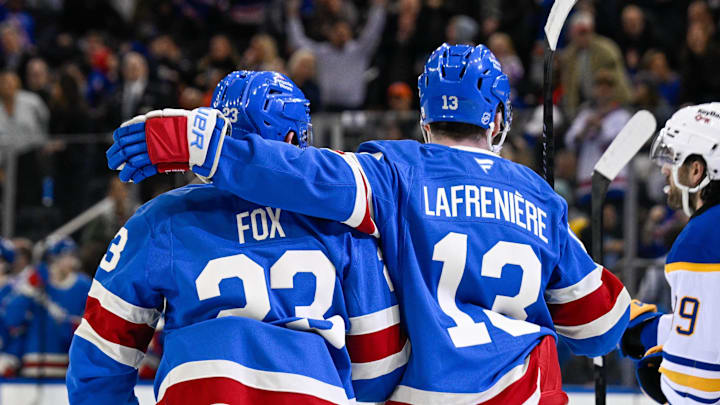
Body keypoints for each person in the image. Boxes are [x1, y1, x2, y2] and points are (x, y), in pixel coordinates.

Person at [107, 44, 630, 403]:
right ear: (496, 120)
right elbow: (598, 328)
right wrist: (638, 317)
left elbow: (302, 176)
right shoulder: (539, 198)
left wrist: (204, 144)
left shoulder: (392, 172)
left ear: (425, 119)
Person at [71, 71, 406, 405]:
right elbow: (379, 365)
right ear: (293, 137)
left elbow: (99, 357)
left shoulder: (160, 220)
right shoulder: (341, 223)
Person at [619, 103, 720, 405]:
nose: (664, 169)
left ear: (696, 170)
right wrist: (646, 331)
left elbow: (697, 387)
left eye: (672, 159)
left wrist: (668, 383)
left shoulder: (702, 240)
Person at [3, 237, 90, 378]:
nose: (69, 261)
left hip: (66, 365)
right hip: (32, 363)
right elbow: (12, 320)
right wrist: (28, 289)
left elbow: (89, 325)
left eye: (70, 256)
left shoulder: (83, 285)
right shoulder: (37, 282)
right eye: (63, 257)